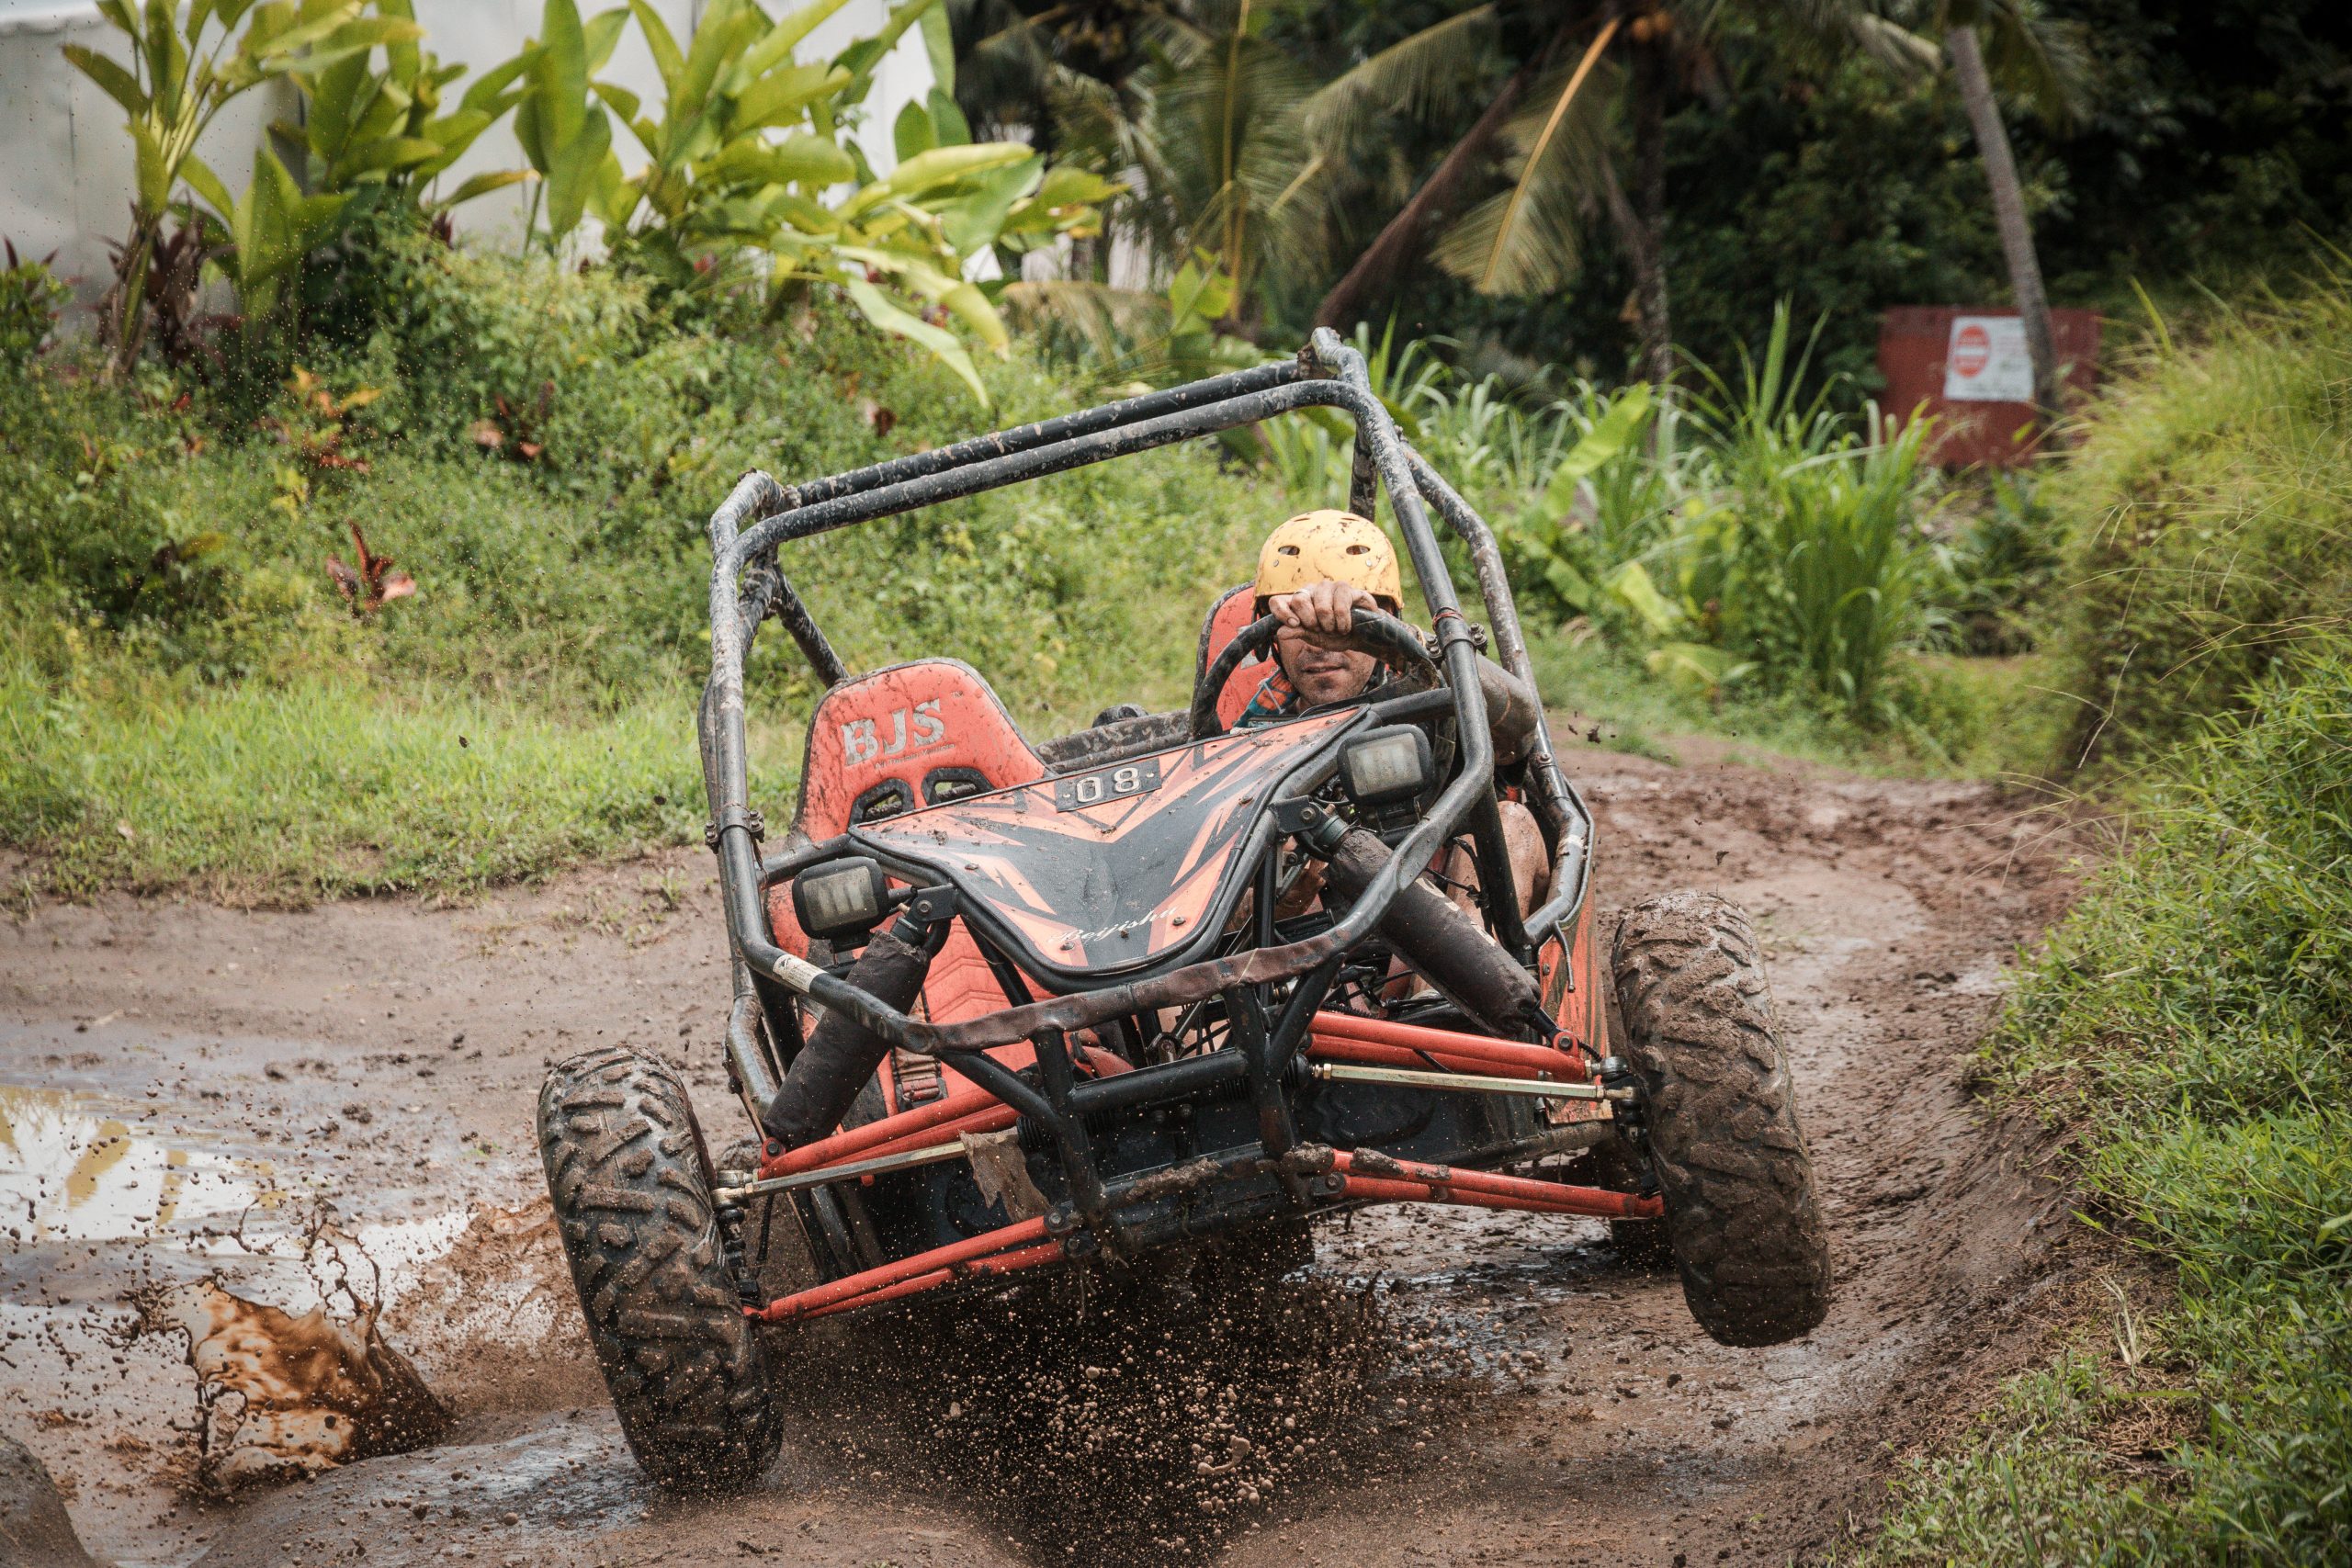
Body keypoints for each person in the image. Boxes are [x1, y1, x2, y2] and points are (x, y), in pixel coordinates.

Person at [1236, 509, 1550, 919]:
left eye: (1343, 625)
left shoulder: (1430, 690)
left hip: (1453, 901)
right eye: (1298, 625)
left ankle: (1442, 986)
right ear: (1268, 633)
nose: (1321, 645)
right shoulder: (1251, 734)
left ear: (1386, 618)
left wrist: (1393, 643)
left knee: (1511, 823)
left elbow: (1522, 727)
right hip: (1317, 946)